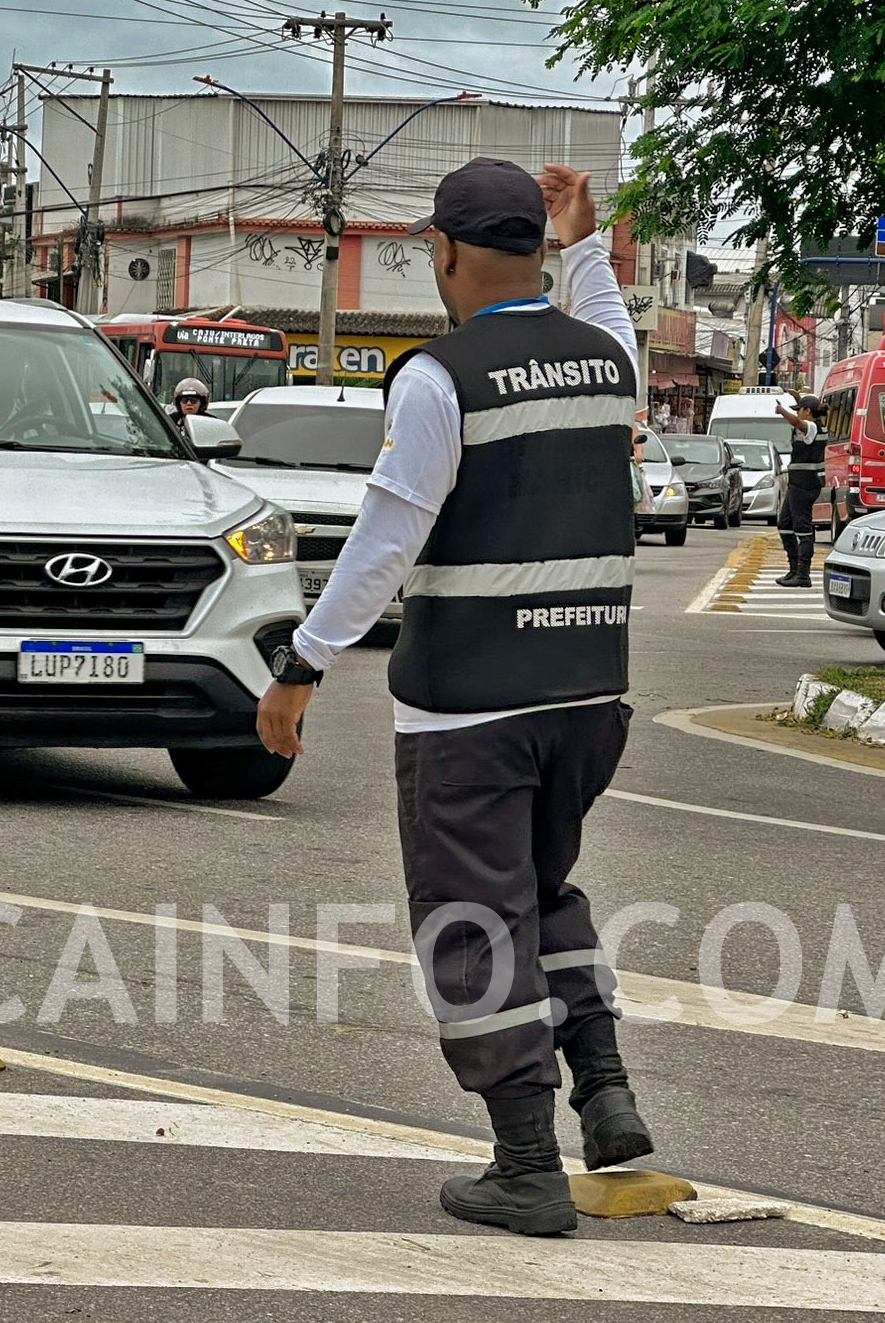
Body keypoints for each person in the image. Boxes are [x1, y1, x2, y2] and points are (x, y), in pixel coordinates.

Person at [255, 158, 652, 1238]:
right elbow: (604, 311)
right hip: (588, 699)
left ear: (438, 251)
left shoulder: (439, 378)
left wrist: (302, 663)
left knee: (473, 923)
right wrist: (580, 246)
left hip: (469, 710)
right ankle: (604, 1087)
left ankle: (524, 1163)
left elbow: (387, 536)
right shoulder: (606, 362)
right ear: (531, 249)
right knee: (539, 891)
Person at [774, 393, 826, 587]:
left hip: (805, 484)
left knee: (802, 528)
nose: (799, 414)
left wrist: (782, 411)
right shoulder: (812, 425)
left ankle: (803, 574)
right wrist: (798, 399)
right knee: (785, 524)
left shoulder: (812, 427)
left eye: (801, 410)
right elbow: (800, 418)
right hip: (797, 483)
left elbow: (798, 422)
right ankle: (793, 569)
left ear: (808, 412)